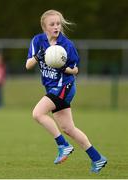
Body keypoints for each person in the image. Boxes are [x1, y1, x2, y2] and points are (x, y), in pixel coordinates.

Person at [26, 9, 107, 173]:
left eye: (58, 24)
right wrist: (37, 57)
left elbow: (75, 70)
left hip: (65, 86)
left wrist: (64, 67)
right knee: (69, 128)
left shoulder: (67, 45)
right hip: (52, 88)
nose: (56, 27)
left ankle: (63, 145)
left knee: (37, 113)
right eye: (52, 24)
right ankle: (97, 158)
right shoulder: (38, 41)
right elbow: (28, 65)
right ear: (44, 27)